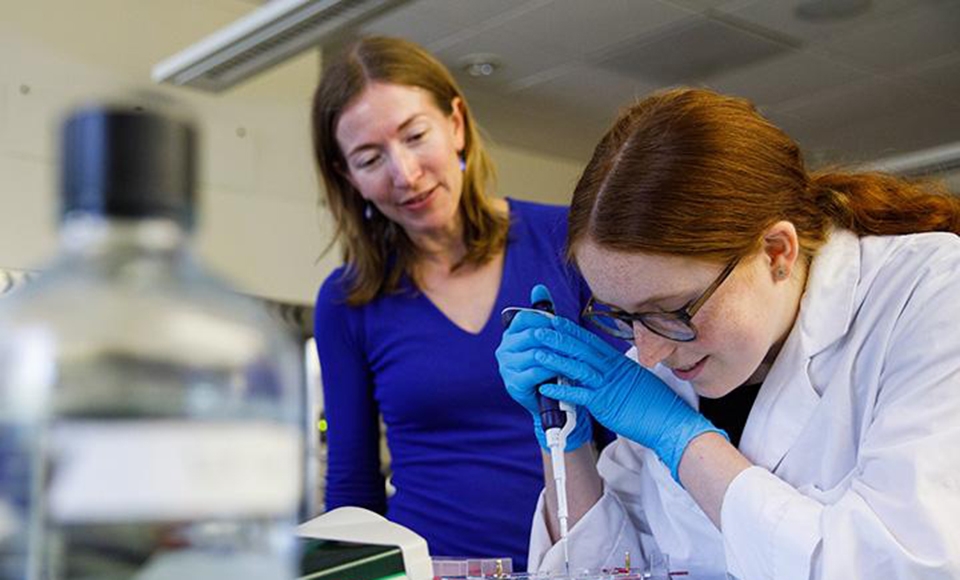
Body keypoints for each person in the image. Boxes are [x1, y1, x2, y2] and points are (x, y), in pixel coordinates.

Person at [497, 87, 960, 579]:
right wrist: (566, 446)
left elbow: (900, 566)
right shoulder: (665, 364)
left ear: (777, 252)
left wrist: (685, 442)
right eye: (625, 316)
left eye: (673, 309)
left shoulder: (929, 294)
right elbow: (612, 570)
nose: (648, 353)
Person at [311, 36, 613, 567]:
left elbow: (636, 422)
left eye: (415, 135)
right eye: (369, 158)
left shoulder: (568, 241)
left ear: (456, 123)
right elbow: (353, 489)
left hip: (581, 560)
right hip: (432, 569)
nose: (405, 174)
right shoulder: (347, 301)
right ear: (347, 176)